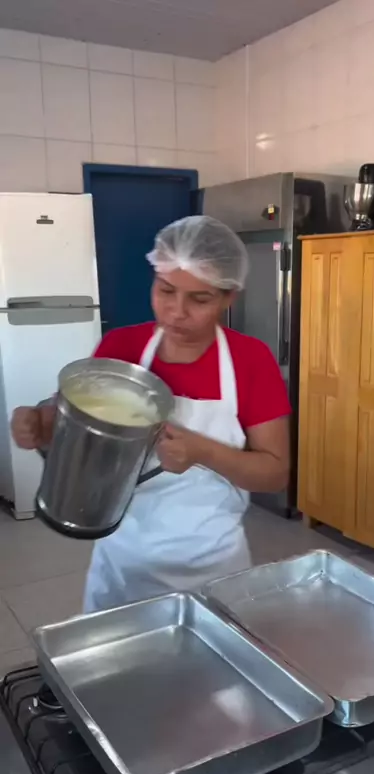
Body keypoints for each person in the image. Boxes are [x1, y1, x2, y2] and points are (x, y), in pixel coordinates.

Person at [11, 215, 291, 612]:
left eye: (200, 299)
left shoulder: (250, 360)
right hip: (122, 560)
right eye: (166, 290)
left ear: (229, 298)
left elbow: (274, 473)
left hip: (213, 565)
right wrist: (42, 423)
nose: (177, 311)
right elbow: (71, 425)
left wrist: (202, 452)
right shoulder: (122, 348)